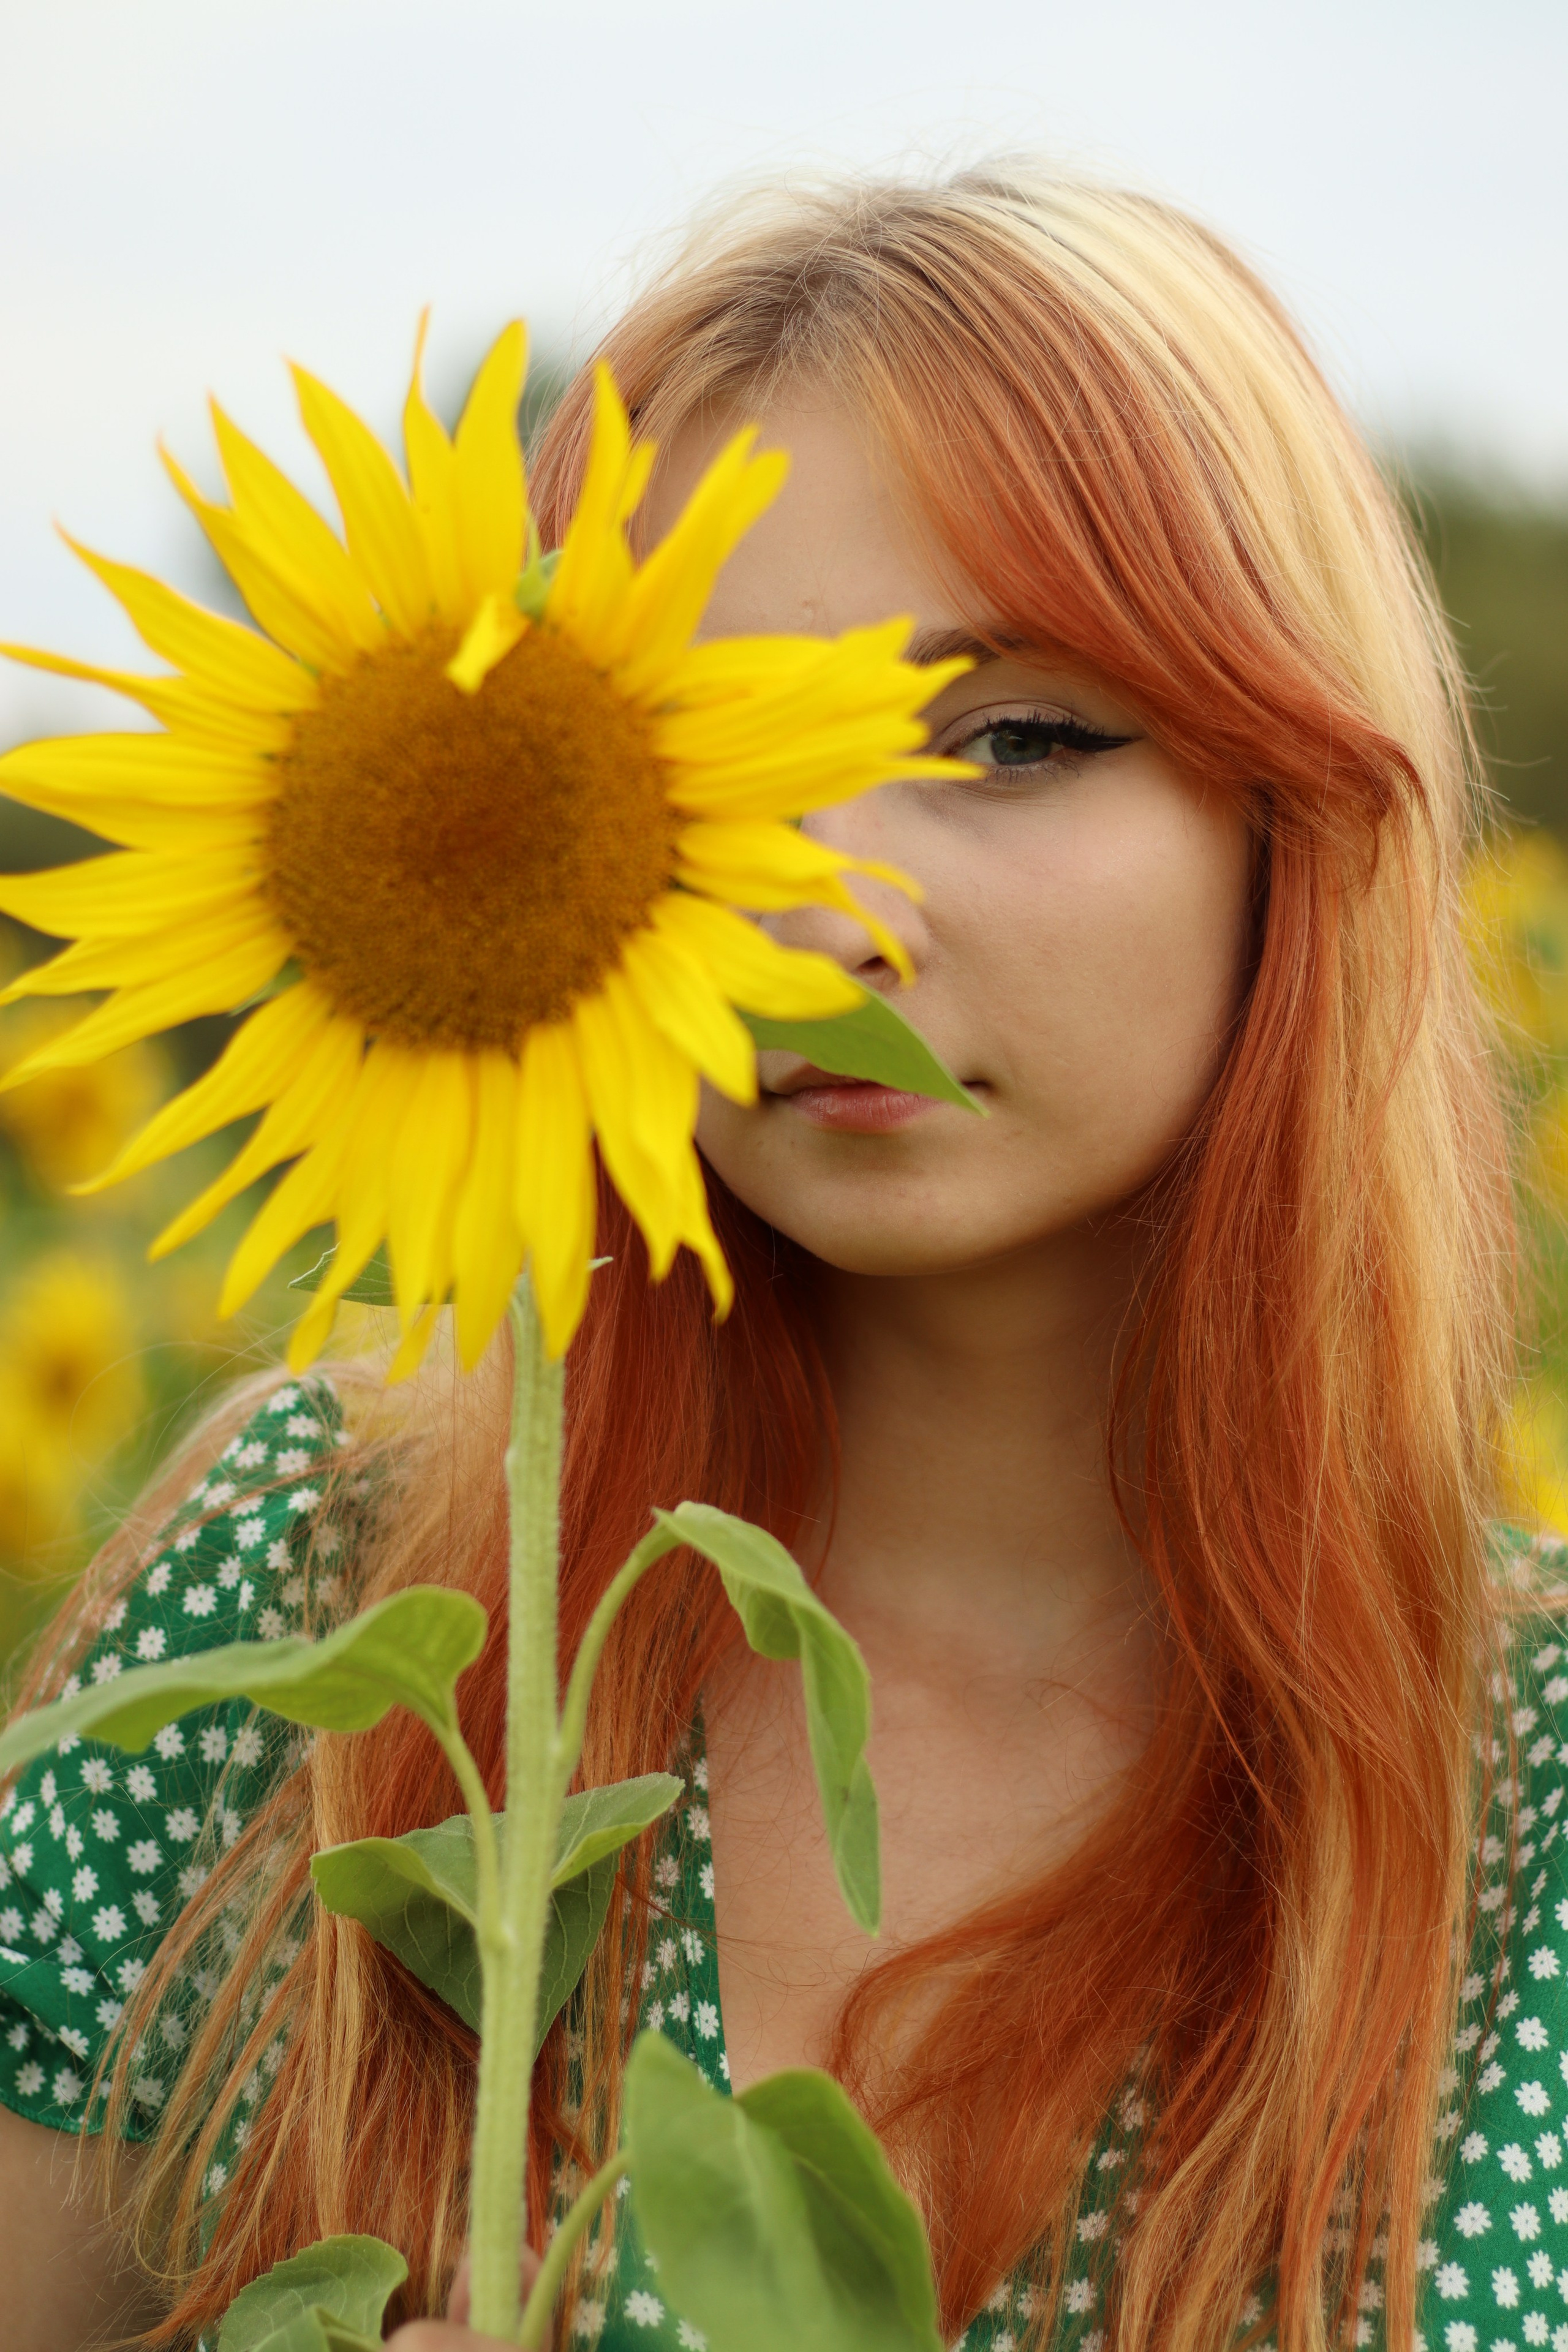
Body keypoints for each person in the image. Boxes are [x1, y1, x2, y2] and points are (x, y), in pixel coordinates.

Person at [0, 162, 1557, 2352]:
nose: (827, 915)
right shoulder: (306, 1598)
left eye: (1015, 738)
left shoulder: (1531, 1794)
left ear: (1297, 801)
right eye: (709, 768)